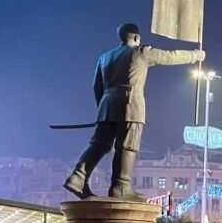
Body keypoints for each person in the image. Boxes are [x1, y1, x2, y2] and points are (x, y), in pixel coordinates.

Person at [64, 22, 204, 200]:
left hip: (107, 105)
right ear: (136, 37)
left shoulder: (105, 57)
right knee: (127, 146)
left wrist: (104, 108)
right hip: (131, 105)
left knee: (99, 144)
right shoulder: (141, 52)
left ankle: (78, 177)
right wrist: (196, 55)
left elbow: (96, 87)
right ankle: (121, 186)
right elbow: (171, 56)